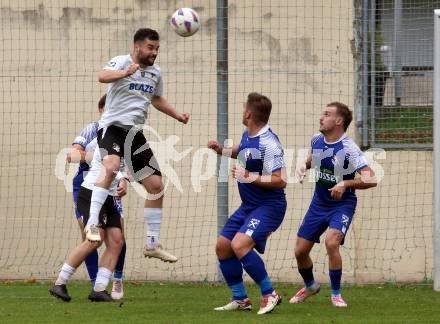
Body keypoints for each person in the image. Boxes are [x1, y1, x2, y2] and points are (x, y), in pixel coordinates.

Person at [85, 28, 189, 263]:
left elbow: (156, 99)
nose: (154, 52)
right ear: (137, 47)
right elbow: (102, 76)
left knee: (156, 185)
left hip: (134, 135)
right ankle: (92, 224)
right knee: (110, 167)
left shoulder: (155, 72)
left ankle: (152, 244)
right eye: (150, 48)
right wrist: (124, 72)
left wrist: (177, 115)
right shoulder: (122, 61)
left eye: (157, 48)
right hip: (112, 128)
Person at [290, 102, 377, 307]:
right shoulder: (317, 139)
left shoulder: (349, 149)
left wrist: (345, 183)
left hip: (342, 204)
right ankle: (311, 286)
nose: (321, 117)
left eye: (327, 114)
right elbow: (315, 158)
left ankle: (336, 294)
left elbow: (371, 179)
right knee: (300, 251)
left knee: (331, 242)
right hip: (318, 203)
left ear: (338, 121)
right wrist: (304, 165)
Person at [208, 93, 287, 315]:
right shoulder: (249, 135)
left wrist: (249, 176)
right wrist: (221, 150)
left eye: (244, 108)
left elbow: (281, 180)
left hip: (269, 207)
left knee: (239, 245)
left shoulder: (269, 143)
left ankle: (269, 293)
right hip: (249, 206)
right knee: (223, 246)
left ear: (249, 113)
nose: (243, 111)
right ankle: (240, 299)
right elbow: (244, 153)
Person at [50, 138, 128, 302]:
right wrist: (123, 177)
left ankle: (98, 290)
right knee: (94, 240)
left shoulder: (128, 137)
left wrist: (125, 180)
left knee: (116, 242)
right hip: (92, 193)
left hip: (110, 197)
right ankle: (60, 283)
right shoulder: (107, 135)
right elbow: (108, 165)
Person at [68, 95, 127, 299]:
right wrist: (89, 156)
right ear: (101, 110)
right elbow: (72, 155)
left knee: (118, 236)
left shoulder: (122, 132)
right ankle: (96, 285)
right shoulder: (91, 130)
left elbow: (122, 163)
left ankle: (117, 279)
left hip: (109, 187)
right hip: (85, 187)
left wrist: (123, 181)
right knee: (91, 237)